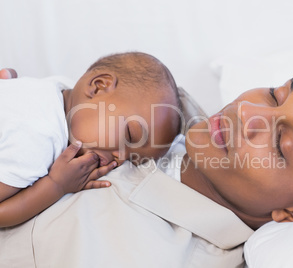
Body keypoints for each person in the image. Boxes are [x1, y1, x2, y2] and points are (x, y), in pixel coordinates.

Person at [0, 76, 293, 267]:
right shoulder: (162, 103)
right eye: (274, 95)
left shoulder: (153, 257)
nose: (247, 112)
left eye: (282, 143)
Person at [0, 52, 181, 228]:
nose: (121, 157)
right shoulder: (38, 139)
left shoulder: (56, 87)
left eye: (133, 159)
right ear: (98, 86)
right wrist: (56, 185)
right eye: (129, 136)